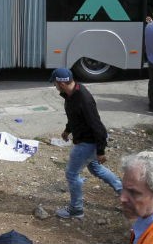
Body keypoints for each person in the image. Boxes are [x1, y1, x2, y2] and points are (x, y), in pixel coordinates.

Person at [50, 68, 122, 219]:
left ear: (61, 83)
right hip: (85, 140)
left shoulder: (83, 99)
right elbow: (75, 117)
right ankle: (125, 193)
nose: (55, 85)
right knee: (96, 169)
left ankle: (76, 210)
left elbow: (98, 127)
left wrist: (101, 151)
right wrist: (67, 130)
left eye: (55, 83)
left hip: (88, 143)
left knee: (71, 174)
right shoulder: (70, 94)